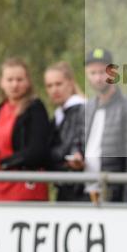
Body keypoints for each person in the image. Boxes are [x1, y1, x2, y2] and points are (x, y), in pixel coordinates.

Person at [82, 48, 127, 203]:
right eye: (93, 73)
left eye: (102, 72)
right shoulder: (87, 107)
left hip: (113, 192)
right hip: (85, 191)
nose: (98, 78)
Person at [0, 58, 51, 201]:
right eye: (10, 80)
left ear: (28, 82)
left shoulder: (35, 109)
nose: (15, 85)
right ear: (1, 83)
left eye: (19, 80)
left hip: (25, 186)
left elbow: (37, 150)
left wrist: (1, 162)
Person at [44, 62, 87, 202]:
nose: (54, 90)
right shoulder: (58, 116)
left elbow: (79, 144)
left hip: (82, 190)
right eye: (49, 86)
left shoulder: (82, 110)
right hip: (65, 188)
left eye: (58, 84)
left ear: (70, 83)